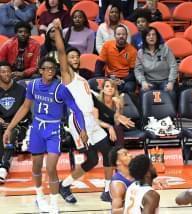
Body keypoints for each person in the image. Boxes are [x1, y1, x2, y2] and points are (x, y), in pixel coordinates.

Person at [2, 57, 87, 214]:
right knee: (36, 166)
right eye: (47, 68)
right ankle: (40, 196)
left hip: (53, 129)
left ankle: (54, 203)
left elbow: (77, 110)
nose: (50, 71)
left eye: (53, 69)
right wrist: (9, 128)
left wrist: (83, 130)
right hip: (37, 129)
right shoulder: (33, 85)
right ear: (40, 70)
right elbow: (25, 107)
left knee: (51, 168)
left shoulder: (61, 89)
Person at [53, 19, 114, 203]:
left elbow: (94, 101)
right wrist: (57, 30)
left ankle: (107, 190)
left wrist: (114, 116)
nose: (75, 59)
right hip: (78, 121)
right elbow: (61, 51)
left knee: (109, 153)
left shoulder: (80, 77)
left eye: (76, 57)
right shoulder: (67, 76)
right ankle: (64, 185)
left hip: (91, 121)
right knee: (92, 160)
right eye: (71, 57)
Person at [0, 61, 28, 183]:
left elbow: (25, 110)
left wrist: (12, 124)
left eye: (8, 71)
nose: (6, 74)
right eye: (3, 72)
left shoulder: (21, 89)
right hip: (1, 124)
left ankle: (3, 168)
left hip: (18, 124)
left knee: (11, 132)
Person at [134, 27, 178, 99]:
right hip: (150, 81)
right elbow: (138, 70)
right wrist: (143, 82)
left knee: (170, 92)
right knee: (144, 92)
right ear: (144, 38)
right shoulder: (140, 52)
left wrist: (171, 82)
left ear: (157, 37)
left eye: (153, 35)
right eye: (148, 35)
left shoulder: (165, 49)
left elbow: (173, 66)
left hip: (165, 80)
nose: (151, 37)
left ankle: (171, 110)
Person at [93, 79, 135, 147]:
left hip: (115, 127)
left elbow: (117, 122)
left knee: (118, 127)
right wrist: (109, 127)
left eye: (112, 86)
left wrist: (118, 108)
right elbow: (95, 121)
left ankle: (119, 151)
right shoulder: (97, 101)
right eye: (107, 86)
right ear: (103, 89)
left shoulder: (119, 100)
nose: (110, 88)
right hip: (101, 126)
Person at [96, 24, 137, 93]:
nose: (121, 36)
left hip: (126, 79)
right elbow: (99, 63)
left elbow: (133, 72)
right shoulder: (107, 45)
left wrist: (123, 80)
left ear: (127, 36)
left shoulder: (133, 51)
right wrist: (98, 78)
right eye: (118, 34)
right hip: (110, 77)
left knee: (129, 88)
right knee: (95, 84)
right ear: (114, 36)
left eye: (123, 34)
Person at [109, 146, 134, 214]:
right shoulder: (118, 184)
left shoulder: (136, 174)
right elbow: (115, 211)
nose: (130, 155)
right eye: (125, 154)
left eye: (128, 153)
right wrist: (134, 208)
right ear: (118, 162)